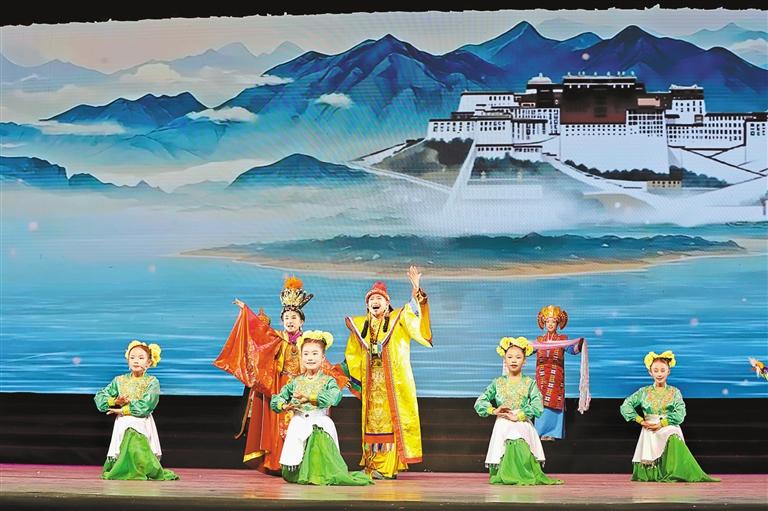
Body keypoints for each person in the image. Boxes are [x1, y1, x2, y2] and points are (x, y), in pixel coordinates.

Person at [214, 276, 347, 472]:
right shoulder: (277, 338)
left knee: (304, 425)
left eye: (294, 318)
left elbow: (321, 363)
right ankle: (278, 463)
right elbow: (257, 334)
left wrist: (338, 375)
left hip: (304, 385)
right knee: (279, 425)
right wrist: (246, 312)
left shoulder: (308, 342)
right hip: (281, 384)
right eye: (286, 318)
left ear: (302, 321)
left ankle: (305, 464)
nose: (290, 321)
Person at [342, 266, 431, 479]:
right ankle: (372, 465)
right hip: (372, 384)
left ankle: (387, 468)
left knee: (392, 421)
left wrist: (416, 290)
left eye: (379, 299)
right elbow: (352, 354)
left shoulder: (398, 319)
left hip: (393, 383)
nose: (375, 302)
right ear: (367, 304)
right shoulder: (360, 326)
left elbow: (414, 313)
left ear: (387, 302)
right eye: (371, 299)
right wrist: (344, 374)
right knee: (371, 423)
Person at [270, 331, 373, 485]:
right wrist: (285, 405)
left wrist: (310, 398)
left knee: (319, 456)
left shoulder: (328, 381)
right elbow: (278, 398)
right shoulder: (295, 381)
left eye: (314, 354)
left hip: (319, 424)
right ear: (301, 357)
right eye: (306, 354)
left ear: (322, 357)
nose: (310, 358)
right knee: (295, 455)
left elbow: (334, 397)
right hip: (299, 422)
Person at [475, 336, 563, 485]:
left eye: (518, 357)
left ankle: (522, 474)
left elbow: (537, 405)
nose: (513, 360)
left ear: (524, 361)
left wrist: (520, 415)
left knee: (518, 439)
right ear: (504, 360)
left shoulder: (529, 382)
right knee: (506, 443)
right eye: (510, 357)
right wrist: (494, 410)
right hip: (503, 422)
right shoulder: (498, 382)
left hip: (521, 421)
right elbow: (480, 402)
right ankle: (506, 474)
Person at [620, 351, 719, 482]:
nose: (659, 374)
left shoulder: (674, 392)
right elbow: (626, 406)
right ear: (650, 372)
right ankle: (654, 473)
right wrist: (641, 421)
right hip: (649, 426)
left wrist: (662, 424)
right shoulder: (643, 392)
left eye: (663, 370)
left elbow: (680, 413)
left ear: (668, 372)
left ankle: (674, 472)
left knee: (672, 433)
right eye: (656, 370)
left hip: (668, 425)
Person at [94, 340, 179, 480]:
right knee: (125, 444)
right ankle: (125, 470)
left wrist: (122, 410)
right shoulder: (119, 381)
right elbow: (100, 398)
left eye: (141, 358)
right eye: (132, 357)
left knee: (135, 440)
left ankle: (137, 470)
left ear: (149, 363)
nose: (136, 361)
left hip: (141, 420)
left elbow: (146, 405)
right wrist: (114, 401)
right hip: (123, 421)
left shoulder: (152, 382)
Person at [533, 305, 586, 441]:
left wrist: (580, 344)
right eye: (548, 321)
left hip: (556, 377)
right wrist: (516, 345)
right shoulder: (539, 340)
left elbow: (573, 350)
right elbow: (528, 350)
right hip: (541, 377)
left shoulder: (562, 339)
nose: (550, 324)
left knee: (554, 402)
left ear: (557, 323)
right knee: (540, 402)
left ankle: (553, 433)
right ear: (544, 323)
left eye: (553, 321)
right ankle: (539, 432)